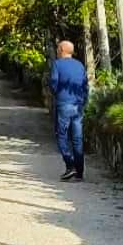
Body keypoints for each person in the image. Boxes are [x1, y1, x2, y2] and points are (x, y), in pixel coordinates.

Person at [49, 40, 88, 181]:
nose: (57, 51)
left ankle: (70, 165)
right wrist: (84, 101)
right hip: (78, 105)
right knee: (77, 138)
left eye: (58, 48)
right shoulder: (80, 65)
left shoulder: (57, 64)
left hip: (64, 104)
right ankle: (80, 172)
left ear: (61, 50)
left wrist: (58, 95)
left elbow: (53, 83)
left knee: (62, 135)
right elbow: (85, 85)